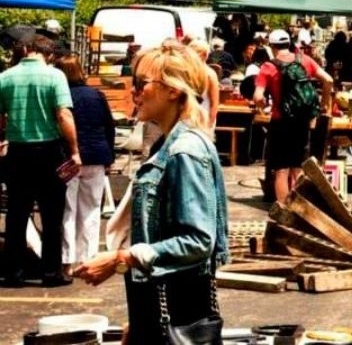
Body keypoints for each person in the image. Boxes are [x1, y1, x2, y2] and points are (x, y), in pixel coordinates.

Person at [74, 42, 229, 344]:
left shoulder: (185, 151)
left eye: (141, 84)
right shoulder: (167, 145)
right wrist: (142, 321)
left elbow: (198, 241)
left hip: (177, 305)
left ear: (173, 90)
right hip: (160, 307)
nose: (134, 92)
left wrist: (122, 257)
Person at [0, 36, 81, 287]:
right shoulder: (55, 76)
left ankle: (13, 273)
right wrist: (74, 149)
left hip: (17, 151)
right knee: (52, 214)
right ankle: (51, 272)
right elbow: (63, 114)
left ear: (26, 51)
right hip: (49, 150)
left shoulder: (5, 77)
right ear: (49, 55)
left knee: (16, 214)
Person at [254, 30, 333, 204]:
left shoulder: (268, 67)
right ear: (289, 43)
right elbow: (328, 80)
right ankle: (301, 212)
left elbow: (258, 97)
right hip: (302, 122)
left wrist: (264, 107)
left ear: (272, 46)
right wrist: (324, 104)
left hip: (280, 122)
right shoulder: (304, 60)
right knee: (298, 168)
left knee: (281, 171)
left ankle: (285, 213)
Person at [55, 55, 115, 277]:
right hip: (97, 155)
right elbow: (109, 126)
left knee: (68, 210)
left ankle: (67, 260)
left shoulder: (61, 96)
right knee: (91, 209)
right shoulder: (96, 94)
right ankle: (87, 258)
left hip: (68, 158)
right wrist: (110, 156)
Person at [184, 38, 221, 127]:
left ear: (204, 55)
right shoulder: (187, 73)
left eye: (195, 54)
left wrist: (209, 125)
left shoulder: (210, 75)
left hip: (204, 121)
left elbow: (214, 103)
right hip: (187, 121)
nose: (190, 57)